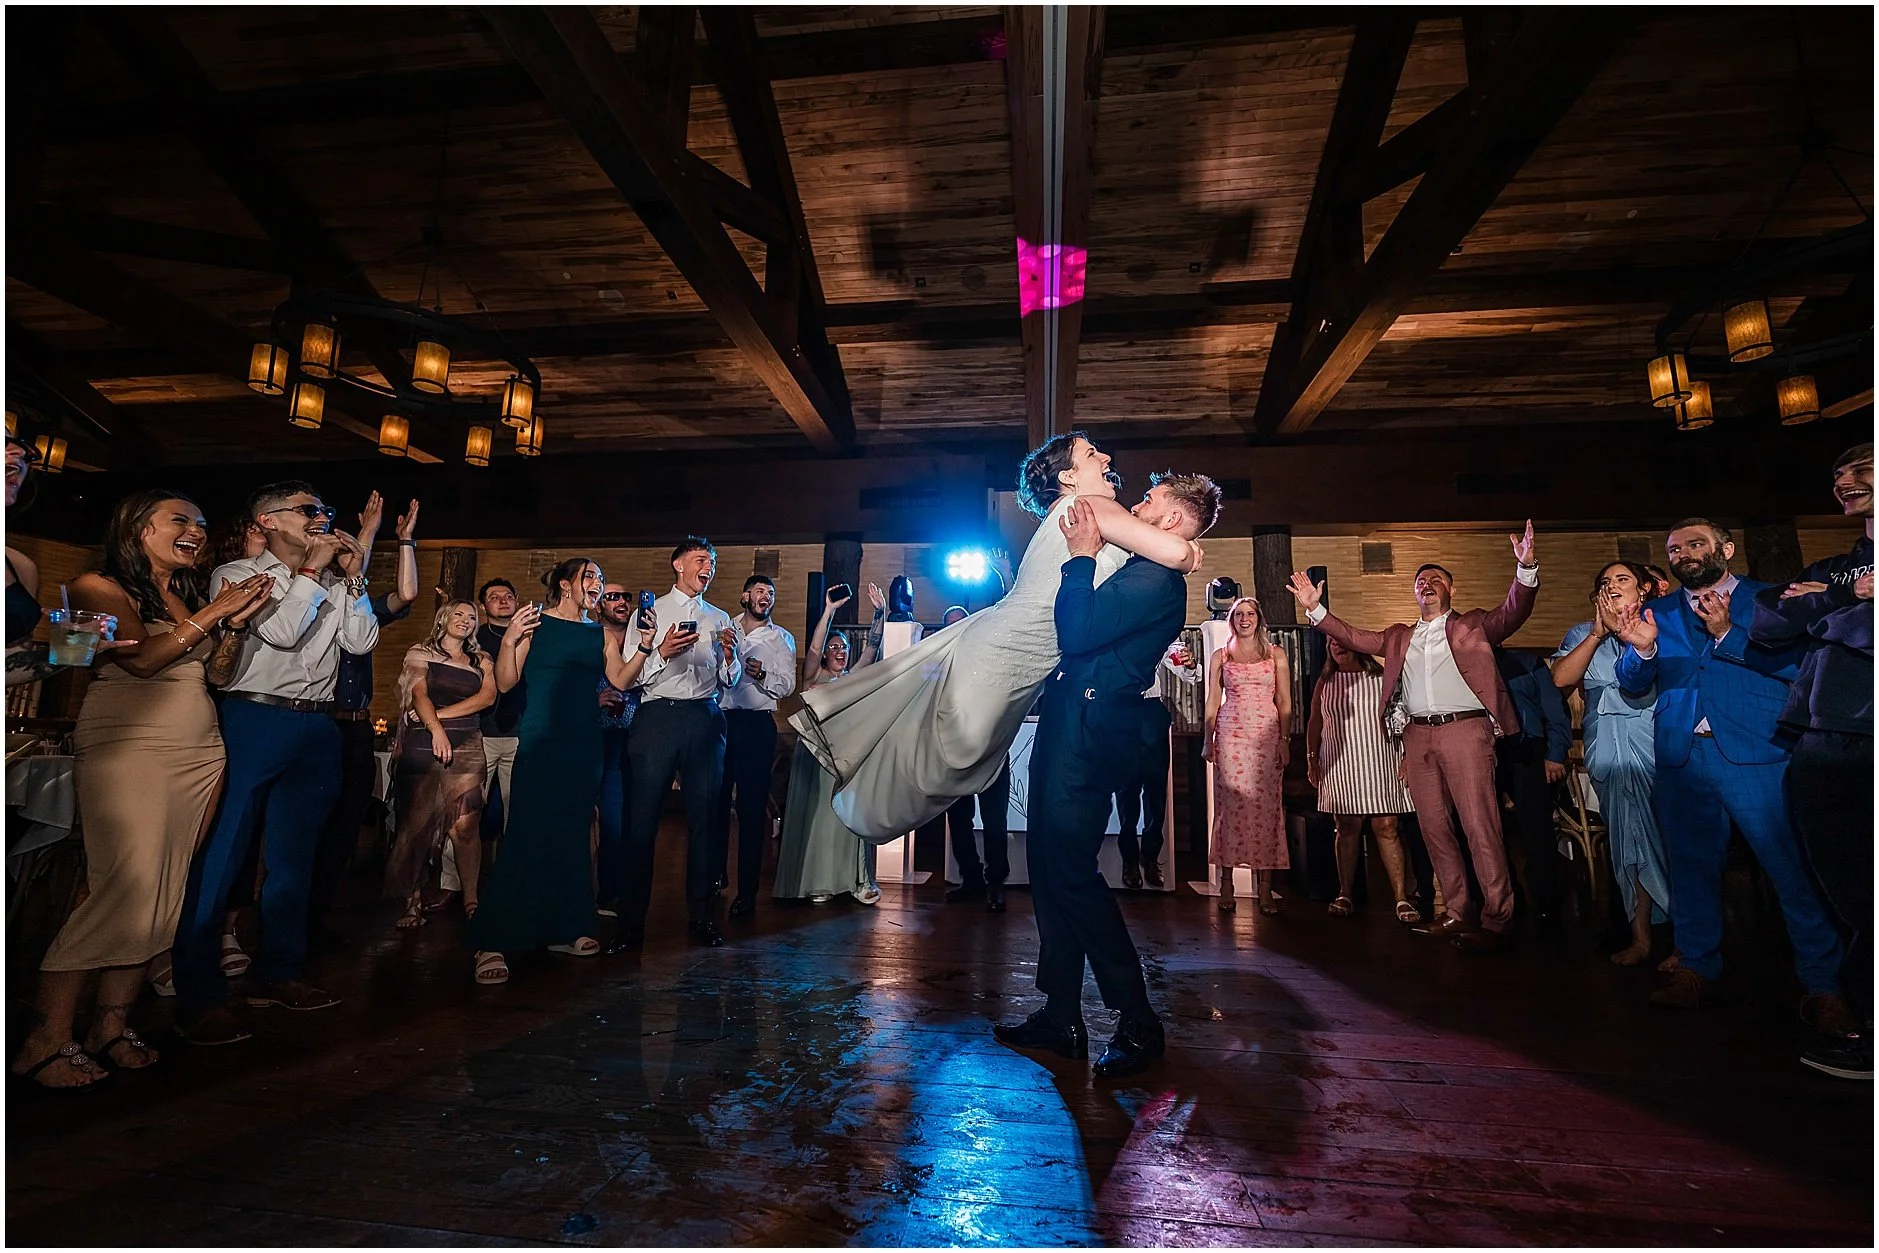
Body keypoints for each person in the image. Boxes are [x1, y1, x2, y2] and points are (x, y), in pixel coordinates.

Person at [790, 434, 1204, 841]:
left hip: (1007, 646)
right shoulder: (1091, 506)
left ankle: (861, 788)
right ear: (1070, 477)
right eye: (1093, 454)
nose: (1108, 457)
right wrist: (1187, 546)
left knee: (941, 747)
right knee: (948, 753)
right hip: (1003, 651)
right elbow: (1178, 555)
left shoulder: (1078, 512)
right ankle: (863, 804)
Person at [10, 493, 271, 1087]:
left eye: (203, 523)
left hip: (199, 751)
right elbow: (145, 659)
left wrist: (233, 630)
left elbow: (218, 673)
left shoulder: (184, 596)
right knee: (119, 885)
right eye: (181, 519)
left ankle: (110, 1024)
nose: (197, 530)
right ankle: (46, 1037)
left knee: (166, 888)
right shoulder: (96, 585)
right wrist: (215, 613)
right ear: (138, 527)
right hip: (131, 744)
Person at [995, 475, 1221, 1081]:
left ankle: (1137, 1018)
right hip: (1075, 714)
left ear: (1172, 521)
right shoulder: (1152, 565)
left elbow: (1077, 631)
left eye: (1149, 503)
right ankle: (1061, 1013)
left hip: (1092, 724)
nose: (1137, 509)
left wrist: (1082, 557)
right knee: (1050, 864)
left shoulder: (1157, 579)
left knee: (1071, 870)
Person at [1611, 518, 1845, 1021]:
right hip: (1681, 756)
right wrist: (1642, 647)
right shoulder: (1659, 610)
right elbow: (1631, 684)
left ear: (1727, 549)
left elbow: (1801, 671)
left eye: (1696, 544)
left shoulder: (1773, 600)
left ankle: (1824, 985)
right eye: (1675, 549)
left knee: (1790, 870)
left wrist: (1728, 635)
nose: (1685, 554)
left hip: (1757, 755)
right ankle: (1696, 968)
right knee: (1691, 870)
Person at [172, 481, 379, 1045]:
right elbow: (283, 632)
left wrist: (352, 578)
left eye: (323, 511)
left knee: (296, 858)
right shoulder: (237, 576)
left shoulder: (334, 579)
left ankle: (280, 971)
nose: (320, 519)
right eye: (309, 510)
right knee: (225, 853)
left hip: (318, 724)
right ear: (266, 520)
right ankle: (198, 991)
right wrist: (310, 575)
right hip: (253, 719)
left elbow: (359, 644)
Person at [1287, 523, 1541, 955]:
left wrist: (1526, 567)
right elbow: (1353, 638)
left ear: (1451, 589)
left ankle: (1497, 918)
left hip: (1466, 729)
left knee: (1480, 827)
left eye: (1436, 578)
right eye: (1420, 580)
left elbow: (1513, 612)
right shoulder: (1399, 636)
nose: (1427, 583)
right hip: (1417, 735)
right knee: (1434, 829)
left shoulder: (1474, 625)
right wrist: (1316, 611)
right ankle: (1457, 911)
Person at [467, 559, 651, 984]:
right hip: (543, 738)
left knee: (572, 833)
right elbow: (508, 683)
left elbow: (620, 681)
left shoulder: (600, 632)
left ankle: (564, 927)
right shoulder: (536, 624)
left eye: (601, 579)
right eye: (590, 577)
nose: (597, 584)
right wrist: (511, 638)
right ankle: (492, 938)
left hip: (584, 742)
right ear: (567, 585)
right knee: (527, 831)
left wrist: (645, 646)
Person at [1752, 444, 1874, 1079]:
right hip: (1822, 748)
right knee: (1852, 895)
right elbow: (1770, 617)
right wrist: (1847, 595)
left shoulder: (1829, 581)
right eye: (1837, 476)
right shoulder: (1844, 568)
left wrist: (1823, 607)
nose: (1846, 484)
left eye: (1862, 470)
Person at [309, 493, 418, 953]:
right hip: (320, 723)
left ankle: (314, 920)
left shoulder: (361, 609)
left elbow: (407, 595)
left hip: (355, 727)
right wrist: (367, 535)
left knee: (344, 828)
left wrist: (399, 540)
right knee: (306, 826)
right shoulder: (307, 606)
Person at [623, 538, 741, 949]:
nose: (707, 568)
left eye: (711, 562)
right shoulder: (650, 611)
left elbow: (730, 680)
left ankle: (702, 916)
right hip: (657, 716)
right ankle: (630, 922)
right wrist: (662, 652)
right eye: (700, 560)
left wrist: (729, 657)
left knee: (706, 819)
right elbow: (631, 676)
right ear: (678, 565)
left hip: (704, 717)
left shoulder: (720, 616)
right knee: (642, 820)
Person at [1552, 561, 1670, 967]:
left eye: (1623, 579)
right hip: (1606, 744)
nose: (1613, 586)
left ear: (1643, 591)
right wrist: (1598, 634)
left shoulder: (1661, 627)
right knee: (1625, 844)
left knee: (1664, 839)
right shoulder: (1582, 635)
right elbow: (1560, 679)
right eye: (1605, 582)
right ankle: (1640, 937)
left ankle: (1682, 939)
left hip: (1652, 739)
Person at [384, 601, 495, 930]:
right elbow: (419, 695)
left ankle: (471, 900)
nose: (465, 620)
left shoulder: (481, 659)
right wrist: (434, 730)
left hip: (467, 741)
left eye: (472, 616)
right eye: (459, 614)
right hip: (424, 741)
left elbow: (487, 698)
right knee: (417, 823)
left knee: (465, 826)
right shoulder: (420, 651)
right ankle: (413, 901)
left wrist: (440, 719)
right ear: (443, 618)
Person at [773, 587, 880, 905]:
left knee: (846, 818)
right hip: (815, 755)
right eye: (834, 647)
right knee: (818, 819)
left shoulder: (852, 678)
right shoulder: (813, 678)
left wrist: (880, 613)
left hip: (844, 756)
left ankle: (854, 882)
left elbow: (872, 649)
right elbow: (816, 646)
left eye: (843, 647)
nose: (838, 651)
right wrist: (829, 610)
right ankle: (817, 882)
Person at [1307, 637, 1420, 923]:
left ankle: (1401, 898)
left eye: (1341, 641)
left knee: (1387, 825)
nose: (1336, 646)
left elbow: (1402, 718)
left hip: (1380, 757)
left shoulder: (1382, 677)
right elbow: (1315, 722)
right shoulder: (1326, 682)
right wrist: (1311, 758)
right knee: (1346, 826)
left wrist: (1407, 757)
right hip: (1340, 761)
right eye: (1331, 643)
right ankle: (1345, 893)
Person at [716, 574, 798, 919]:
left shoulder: (782, 638)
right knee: (715, 804)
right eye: (761, 591)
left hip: (755, 725)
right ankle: (714, 876)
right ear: (745, 595)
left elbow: (789, 686)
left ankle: (747, 892)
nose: (767, 597)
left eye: (772, 593)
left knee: (751, 811)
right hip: (718, 721)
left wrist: (763, 674)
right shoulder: (724, 626)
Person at [1204, 597, 1291, 915]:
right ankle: (1226, 883)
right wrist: (1207, 739)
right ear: (1231, 620)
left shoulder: (1275, 654)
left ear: (1259, 618)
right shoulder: (1221, 655)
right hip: (1231, 734)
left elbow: (1285, 701)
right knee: (1230, 806)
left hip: (1266, 736)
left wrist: (1284, 740)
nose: (1244, 619)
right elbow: (1213, 700)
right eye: (1238, 614)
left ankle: (1265, 888)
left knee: (1267, 808)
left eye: (1250, 614)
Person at [1492, 645, 1572, 929]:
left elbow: (1555, 708)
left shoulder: (1527, 662)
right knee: (1488, 831)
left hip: (1527, 749)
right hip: (1483, 752)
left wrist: (1555, 753)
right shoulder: (1461, 665)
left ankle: (1547, 902)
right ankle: (1504, 900)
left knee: (1536, 829)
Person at [593, 582, 649, 918]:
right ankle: (606, 892)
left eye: (626, 596)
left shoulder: (641, 637)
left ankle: (627, 889)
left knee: (633, 816)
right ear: (599, 605)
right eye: (612, 596)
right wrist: (592, 699)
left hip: (636, 732)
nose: (622, 601)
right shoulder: (589, 637)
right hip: (596, 736)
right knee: (609, 818)